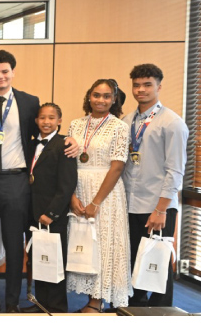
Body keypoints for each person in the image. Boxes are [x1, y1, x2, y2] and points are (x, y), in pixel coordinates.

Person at [0, 50, 78, 313]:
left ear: (13, 72)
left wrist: (69, 138)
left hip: (17, 182)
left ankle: (12, 301)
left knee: (15, 246)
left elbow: (45, 132)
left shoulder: (29, 102)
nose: (0, 76)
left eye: (5, 71)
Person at [122, 64, 188, 307]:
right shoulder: (127, 121)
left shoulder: (172, 123)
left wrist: (161, 209)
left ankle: (162, 311)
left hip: (157, 206)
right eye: (137, 85)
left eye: (147, 85)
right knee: (134, 260)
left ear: (159, 87)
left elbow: (175, 170)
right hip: (131, 204)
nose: (141, 90)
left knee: (158, 262)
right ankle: (135, 307)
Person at [67, 79, 132, 312]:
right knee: (84, 242)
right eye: (96, 95)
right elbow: (67, 163)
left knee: (103, 243)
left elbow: (117, 167)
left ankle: (97, 301)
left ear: (114, 99)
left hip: (106, 193)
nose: (101, 100)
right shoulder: (75, 125)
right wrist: (72, 197)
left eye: (106, 96)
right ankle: (90, 297)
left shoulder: (119, 127)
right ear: (89, 96)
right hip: (78, 188)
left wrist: (96, 202)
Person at [21, 103, 76, 313]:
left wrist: (52, 213)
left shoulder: (64, 145)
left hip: (53, 214)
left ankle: (57, 306)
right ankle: (41, 304)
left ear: (59, 121)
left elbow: (67, 184)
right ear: (36, 120)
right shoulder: (31, 144)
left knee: (54, 260)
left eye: (51, 118)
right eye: (42, 118)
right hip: (33, 212)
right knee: (39, 259)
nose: (46, 122)